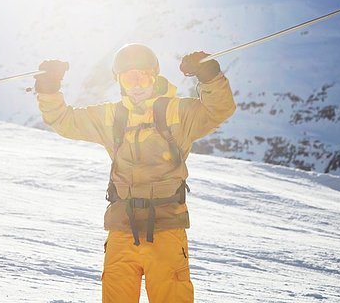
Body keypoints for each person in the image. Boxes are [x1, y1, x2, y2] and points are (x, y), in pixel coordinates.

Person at [34, 43, 236, 303]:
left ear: (154, 76)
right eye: (129, 77)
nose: (137, 83)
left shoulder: (178, 111)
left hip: (166, 227)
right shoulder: (111, 116)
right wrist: (49, 89)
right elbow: (64, 120)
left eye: (143, 75)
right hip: (122, 228)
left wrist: (209, 76)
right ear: (119, 81)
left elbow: (219, 109)